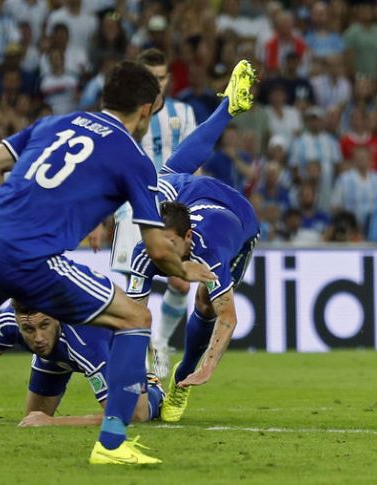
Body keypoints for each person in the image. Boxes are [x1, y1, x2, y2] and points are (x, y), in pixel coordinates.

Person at [0, 60, 218, 465]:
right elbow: (158, 249)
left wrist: (8, 219)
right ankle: (111, 445)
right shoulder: (132, 157)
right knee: (136, 318)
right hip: (30, 255)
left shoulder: (58, 122)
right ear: (145, 110)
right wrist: (186, 270)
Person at [111, 53, 255, 380]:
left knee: (178, 280)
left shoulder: (181, 112)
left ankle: (159, 344)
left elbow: (194, 156)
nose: (157, 83)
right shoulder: (124, 112)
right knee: (136, 289)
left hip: (169, 197)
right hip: (133, 204)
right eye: (151, 77)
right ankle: (139, 361)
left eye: (162, 77)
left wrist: (195, 195)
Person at [126, 163, 260, 423]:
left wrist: (207, 367)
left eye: (171, 244)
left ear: (188, 237)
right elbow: (132, 316)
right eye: (157, 242)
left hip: (241, 219)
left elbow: (228, 317)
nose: (161, 252)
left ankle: (182, 377)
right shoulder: (146, 250)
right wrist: (139, 371)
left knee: (206, 302)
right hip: (191, 191)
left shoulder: (211, 253)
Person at [0, 302, 165, 427]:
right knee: (31, 419)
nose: (38, 338)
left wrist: (53, 422)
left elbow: (119, 415)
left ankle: (154, 388)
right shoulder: (9, 321)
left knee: (137, 414)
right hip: (54, 357)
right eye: (28, 329)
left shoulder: (85, 342)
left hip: (116, 346)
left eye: (44, 325)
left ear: (56, 317)